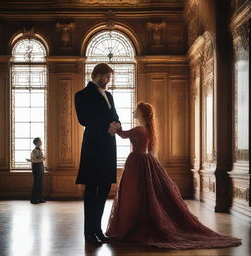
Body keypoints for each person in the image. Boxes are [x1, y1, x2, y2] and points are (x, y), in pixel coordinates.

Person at [106, 102, 242, 249]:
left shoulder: (139, 129)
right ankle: (140, 222)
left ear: (141, 113)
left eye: (136, 110)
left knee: (136, 193)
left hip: (137, 162)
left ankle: (136, 224)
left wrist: (115, 127)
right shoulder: (147, 129)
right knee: (145, 194)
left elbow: (123, 134)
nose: (133, 111)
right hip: (144, 161)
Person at [75, 63, 120, 245]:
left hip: (109, 146)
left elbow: (115, 116)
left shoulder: (109, 95)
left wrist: (117, 124)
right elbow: (83, 119)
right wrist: (106, 125)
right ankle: (88, 233)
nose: (108, 81)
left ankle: (98, 230)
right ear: (98, 75)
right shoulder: (81, 95)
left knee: (104, 189)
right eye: (107, 77)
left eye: (109, 77)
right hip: (93, 147)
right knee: (91, 191)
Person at [26, 137, 46, 204]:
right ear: (37, 142)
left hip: (40, 166)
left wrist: (42, 159)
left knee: (40, 183)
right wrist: (42, 159)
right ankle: (34, 199)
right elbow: (33, 160)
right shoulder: (34, 151)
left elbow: (39, 158)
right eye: (40, 141)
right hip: (36, 166)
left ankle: (39, 198)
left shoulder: (40, 150)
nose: (41, 142)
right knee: (36, 183)